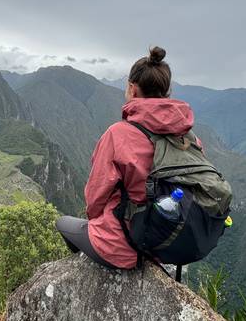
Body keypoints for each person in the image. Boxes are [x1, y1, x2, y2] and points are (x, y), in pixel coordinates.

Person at [56, 46, 197, 269]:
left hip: (122, 248)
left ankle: (84, 271)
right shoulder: (189, 138)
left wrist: (98, 222)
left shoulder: (118, 135)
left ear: (132, 89)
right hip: (167, 245)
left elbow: (95, 197)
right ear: (167, 92)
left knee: (63, 223)